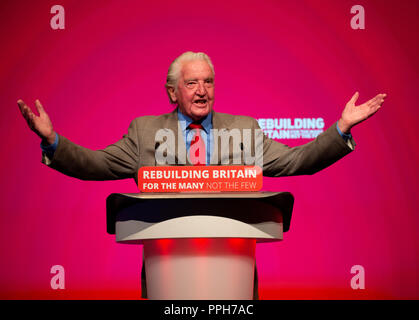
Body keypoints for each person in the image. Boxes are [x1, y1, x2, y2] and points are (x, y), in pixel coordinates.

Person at [17, 51, 387, 299]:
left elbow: (296, 162)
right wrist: (53, 141)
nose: (202, 91)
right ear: (172, 92)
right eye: (192, 83)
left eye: (208, 82)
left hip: (231, 276)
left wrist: (340, 129)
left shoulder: (244, 129)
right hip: (169, 275)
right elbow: (96, 164)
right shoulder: (145, 132)